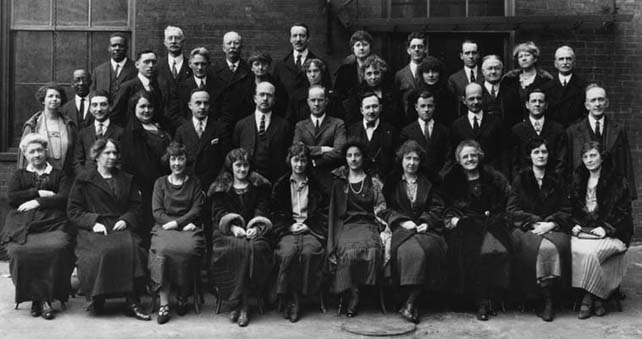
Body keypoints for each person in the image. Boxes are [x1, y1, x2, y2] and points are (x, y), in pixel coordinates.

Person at [67, 138, 150, 321]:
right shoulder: (84, 180)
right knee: (102, 252)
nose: (112, 157)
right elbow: (73, 211)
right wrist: (92, 222)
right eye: (107, 153)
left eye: (115, 153)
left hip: (120, 225)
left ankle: (132, 300)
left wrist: (127, 219)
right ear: (96, 155)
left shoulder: (127, 179)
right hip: (94, 229)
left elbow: (137, 207)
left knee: (134, 248)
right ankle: (98, 296)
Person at [2, 134, 74, 320]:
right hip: (23, 224)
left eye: (40, 150)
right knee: (19, 251)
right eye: (31, 151)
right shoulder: (19, 175)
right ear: (25, 154)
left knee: (57, 248)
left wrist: (38, 202)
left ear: (46, 152)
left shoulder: (59, 174)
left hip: (53, 222)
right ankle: (38, 299)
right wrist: (38, 192)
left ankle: (45, 299)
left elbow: (65, 197)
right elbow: (12, 198)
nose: (36, 154)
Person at [442, 140, 511, 321]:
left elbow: (503, 204)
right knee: (469, 249)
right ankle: (479, 301)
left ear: (479, 156)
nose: (470, 159)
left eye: (473, 155)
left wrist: (492, 216)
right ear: (459, 159)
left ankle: (492, 299)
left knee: (495, 250)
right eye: (465, 156)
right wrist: (456, 219)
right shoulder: (451, 180)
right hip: (464, 225)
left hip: (490, 223)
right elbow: (447, 207)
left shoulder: (493, 177)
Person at [380, 140, 447, 324]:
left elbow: (437, 207)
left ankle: (411, 303)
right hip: (402, 229)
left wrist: (427, 221)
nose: (411, 163)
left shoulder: (429, 182)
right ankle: (407, 301)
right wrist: (402, 221)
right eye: (408, 158)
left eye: (415, 159)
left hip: (426, 230)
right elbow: (384, 209)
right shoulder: (392, 182)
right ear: (401, 160)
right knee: (410, 252)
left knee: (431, 250)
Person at [507, 137, 572, 322]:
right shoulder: (521, 178)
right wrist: (534, 222)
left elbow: (566, 209)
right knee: (537, 249)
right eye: (536, 152)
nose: (541, 155)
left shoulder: (557, 178)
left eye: (544, 152)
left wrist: (551, 223)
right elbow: (511, 210)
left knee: (555, 247)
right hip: (528, 228)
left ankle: (551, 299)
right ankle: (538, 297)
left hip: (553, 227)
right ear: (530, 156)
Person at [208, 148, 274, 327]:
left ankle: (241, 305)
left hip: (253, 233)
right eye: (238, 165)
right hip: (226, 233)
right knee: (237, 249)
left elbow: (262, 209)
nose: (242, 170)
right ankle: (238, 302)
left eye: (245, 165)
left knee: (253, 248)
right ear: (231, 166)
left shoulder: (259, 186)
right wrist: (233, 227)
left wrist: (255, 227)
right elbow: (218, 213)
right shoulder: (221, 188)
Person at [569, 141, 633, 319]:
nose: (589, 160)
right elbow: (571, 207)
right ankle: (599, 300)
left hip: (615, 232)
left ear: (601, 156)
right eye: (586, 156)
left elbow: (623, 212)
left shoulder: (616, 179)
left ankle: (588, 298)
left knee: (591, 254)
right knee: (574, 249)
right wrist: (574, 223)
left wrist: (607, 228)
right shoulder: (578, 178)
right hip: (586, 231)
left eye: (593, 155)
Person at [327, 140, 386, 317]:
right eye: (350, 156)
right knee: (347, 251)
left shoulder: (373, 182)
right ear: (345, 158)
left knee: (374, 249)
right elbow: (334, 210)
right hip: (346, 225)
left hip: (368, 224)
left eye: (357, 155)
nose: (353, 159)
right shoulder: (339, 182)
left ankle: (364, 290)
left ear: (363, 157)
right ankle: (352, 292)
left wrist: (382, 226)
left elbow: (381, 206)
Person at [149, 142, 206, 324]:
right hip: (164, 228)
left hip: (189, 227)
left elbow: (196, 209)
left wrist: (180, 224)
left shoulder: (195, 182)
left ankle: (183, 295)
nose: (177, 163)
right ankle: (164, 303)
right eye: (173, 159)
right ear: (168, 161)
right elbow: (157, 212)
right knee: (163, 252)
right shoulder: (160, 183)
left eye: (180, 159)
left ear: (186, 160)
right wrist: (174, 224)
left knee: (188, 250)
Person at [270, 143, 328, 322]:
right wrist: (288, 226)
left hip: (310, 229)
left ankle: (302, 296)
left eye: (303, 160)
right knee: (288, 252)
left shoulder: (317, 185)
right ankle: (290, 297)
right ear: (290, 161)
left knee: (309, 252)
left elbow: (324, 212)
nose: (299, 165)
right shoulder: (280, 185)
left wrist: (309, 225)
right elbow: (274, 212)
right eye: (296, 160)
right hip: (288, 229)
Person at [566, 84, 636, 199]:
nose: (597, 104)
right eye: (593, 100)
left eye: (601, 99)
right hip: (583, 192)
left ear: (606, 103)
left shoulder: (618, 130)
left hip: (612, 192)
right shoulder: (573, 131)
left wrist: (629, 194)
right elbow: (568, 166)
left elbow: (626, 163)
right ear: (587, 105)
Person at [121, 91, 171, 245]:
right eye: (142, 106)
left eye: (150, 106)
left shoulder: (159, 127)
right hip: (145, 186)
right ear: (134, 108)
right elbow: (136, 163)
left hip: (165, 183)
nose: (146, 110)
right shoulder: (131, 132)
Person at [233, 81, 292, 183]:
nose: (265, 98)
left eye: (269, 95)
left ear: (274, 100)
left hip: (275, 182)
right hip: (247, 182)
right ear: (255, 98)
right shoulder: (241, 125)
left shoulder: (284, 126)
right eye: (262, 95)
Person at [292, 85, 346, 188]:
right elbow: (297, 150)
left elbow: (340, 151)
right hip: (305, 178)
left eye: (320, 100)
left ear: (326, 101)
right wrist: (321, 149)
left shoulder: (338, 124)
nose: (316, 104)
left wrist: (315, 161)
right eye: (313, 100)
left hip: (330, 177)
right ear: (308, 102)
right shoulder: (300, 126)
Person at [18, 84, 76, 175]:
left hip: (65, 176)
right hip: (39, 176)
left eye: (58, 96)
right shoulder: (33, 125)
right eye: (50, 96)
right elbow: (23, 155)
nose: (54, 99)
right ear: (43, 100)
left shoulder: (69, 125)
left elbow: (74, 154)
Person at [509, 88, 566, 179]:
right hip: (525, 183)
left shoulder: (557, 129)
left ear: (546, 105)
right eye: (534, 101)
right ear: (527, 105)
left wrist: (553, 181)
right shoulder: (517, 130)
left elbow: (561, 160)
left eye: (541, 101)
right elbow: (514, 162)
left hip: (551, 183)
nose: (537, 104)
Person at [450, 83, 506, 174]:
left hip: (492, 174)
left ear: (483, 98)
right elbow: (454, 155)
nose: (475, 102)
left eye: (479, 98)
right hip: (466, 174)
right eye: (471, 99)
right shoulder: (457, 125)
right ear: (464, 100)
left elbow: (503, 153)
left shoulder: (496, 122)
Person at [399, 91, 451, 183]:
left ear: (434, 107)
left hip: (439, 180)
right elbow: (403, 158)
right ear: (416, 107)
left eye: (429, 106)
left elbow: (449, 157)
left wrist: (441, 176)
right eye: (422, 106)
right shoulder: (407, 132)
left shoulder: (444, 131)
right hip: (416, 180)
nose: (426, 109)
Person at [500, 41, 553, 128]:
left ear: (535, 58)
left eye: (527, 55)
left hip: (538, 125)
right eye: (520, 56)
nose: (524, 58)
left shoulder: (545, 80)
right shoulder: (509, 80)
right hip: (513, 126)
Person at [347, 92, 398, 180]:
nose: (371, 111)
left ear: (381, 108)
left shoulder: (391, 131)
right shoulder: (352, 130)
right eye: (367, 107)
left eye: (375, 106)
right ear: (361, 110)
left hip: (385, 181)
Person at [72, 90, 124, 176]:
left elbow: (122, 162)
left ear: (110, 107)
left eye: (103, 104)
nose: (99, 109)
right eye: (94, 105)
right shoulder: (83, 133)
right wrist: (86, 178)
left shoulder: (120, 133)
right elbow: (77, 162)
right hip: (87, 181)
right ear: (90, 108)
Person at [273, 23, 332, 98]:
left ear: (308, 39)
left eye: (302, 36)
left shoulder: (320, 63)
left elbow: (327, 92)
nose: (298, 39)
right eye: (295, 36)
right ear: (290, 39)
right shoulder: (280, 66)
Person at [112, 49, 167, 128]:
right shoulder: (127, 87)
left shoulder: (158, 87)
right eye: (146, 62)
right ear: (137, 65)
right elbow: (115, 115)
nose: (151, 65)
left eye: (153, 62)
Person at [343, 54, 402, 128]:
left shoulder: (392, 92)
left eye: (376, 73)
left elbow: (399, 117)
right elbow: (352, 119)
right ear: (364, 76)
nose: (373, 77)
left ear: (382, 73)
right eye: (369, 74)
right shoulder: (355, 93)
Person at [212, 32, 252, 128]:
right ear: (223, 48)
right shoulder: (213, 71)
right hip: (221, 123)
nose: (232, 46)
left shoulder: (249, 70)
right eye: (229, 43)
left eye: (236, 43)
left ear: (241, 47)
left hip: (244, 122)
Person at [542, 46, 587, 127]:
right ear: (555, 64)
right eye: (561, 59)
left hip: (576, 132)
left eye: (568, 59)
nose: (565, 62)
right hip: (554, 132)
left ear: (574, 62)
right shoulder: (547, 87)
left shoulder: (583, 86)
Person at [157, 26, 192, 129]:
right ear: (165, 42)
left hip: (186, 123)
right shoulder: (157, 67)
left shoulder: (191, 67)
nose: (173, 41)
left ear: (183, 41)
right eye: (170, 38)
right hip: (163, 124)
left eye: (177, 38)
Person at [286, 58, 338, 124]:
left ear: (322, 72)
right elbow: (290, 120)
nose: (312, 75)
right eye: (309, 72)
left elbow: (339, 119)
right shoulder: (297, 96)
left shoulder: (331, 96)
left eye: (316, 71)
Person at [90, 33, 138, 103]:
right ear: (109, 48)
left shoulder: (136, 69)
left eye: (121, 46)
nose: (117, 48)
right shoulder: (98, 71)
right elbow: (93, 95)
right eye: (114, 45)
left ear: (126, 48)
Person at [174, 47, 216, 122]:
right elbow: (176, 114)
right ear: (190, 64)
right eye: (196, 64)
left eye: (203, 64)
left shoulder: (219, 85)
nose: (199, 68)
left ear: (208, 64)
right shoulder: (180, 87)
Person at [334, 30, 377, 101]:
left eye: (365, 44)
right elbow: (338, 93)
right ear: (353, 48)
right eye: (358, 45)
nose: (361, 48)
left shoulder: (377, 66)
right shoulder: (345, 69)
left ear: (370, 47)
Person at [414, 56, 457, 127]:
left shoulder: (448, 95)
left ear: (440, 74)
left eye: (434, 71)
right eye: (427, 72)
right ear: (421, 74)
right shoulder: (414, 96)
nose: (431, 75)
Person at [447, 40, 484, 116]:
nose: (471, 56)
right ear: (461, 56)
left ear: (478, 55)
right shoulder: (454, 79)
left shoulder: (485, 75)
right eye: (467, 53)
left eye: (474, 53)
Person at [395, 32, 426, 115]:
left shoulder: (431, 72)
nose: (416, 49)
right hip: (406, 119)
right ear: (408, 50)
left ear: (425, 49)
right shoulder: (400, 75)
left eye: (420, 47)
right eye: (413, 47)